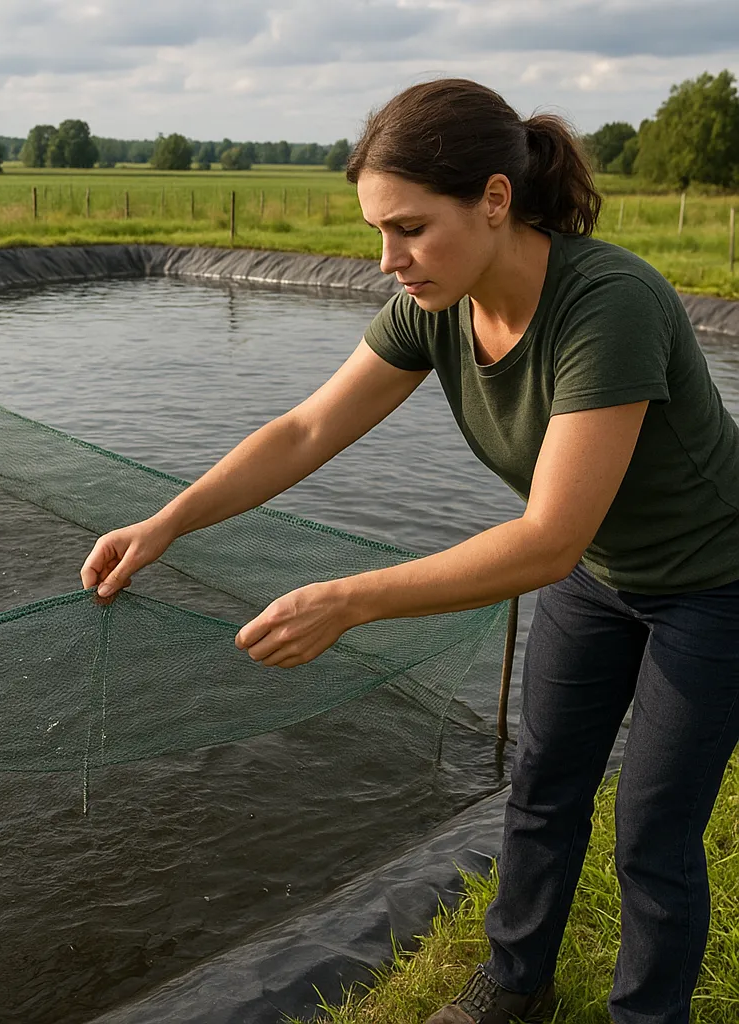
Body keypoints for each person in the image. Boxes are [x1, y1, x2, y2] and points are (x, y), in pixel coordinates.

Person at [79, 78, 739, 1024]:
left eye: (410, 227)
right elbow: (306, 430)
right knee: (545, 785)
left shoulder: (610, 304)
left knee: (653, 827)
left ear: (496, 201)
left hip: (714, 584)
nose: (388, 258)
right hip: (605, 577)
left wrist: (351, 599)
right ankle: (513, 991)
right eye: (377, 231)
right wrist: (168, 522)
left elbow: (548, 540)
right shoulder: (437, 303)